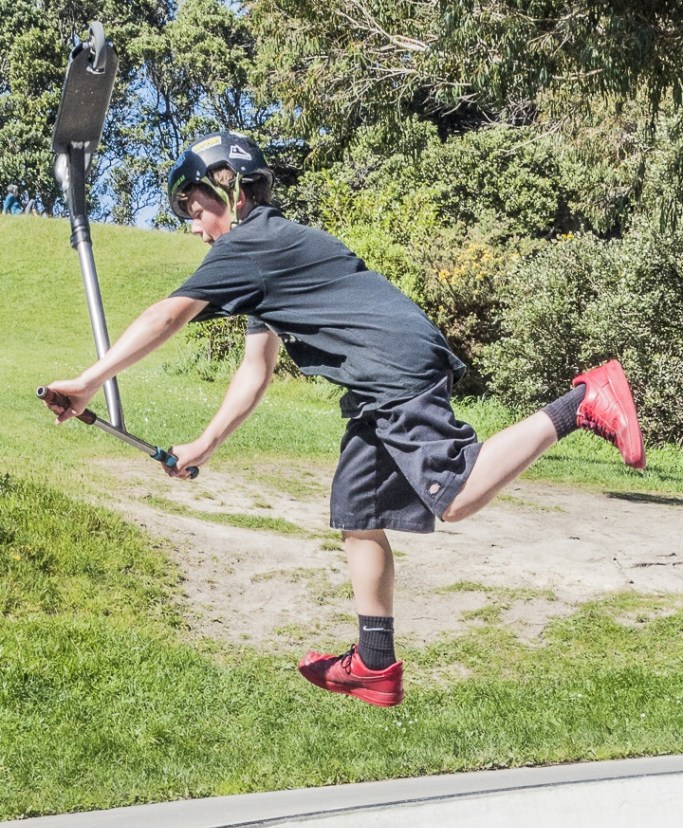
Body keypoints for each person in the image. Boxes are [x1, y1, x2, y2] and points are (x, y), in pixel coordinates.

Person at [43, 131, 646, 709]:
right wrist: (205, 442)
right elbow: (255, 370)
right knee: (358, 510)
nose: (194, 226)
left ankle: (581, 402)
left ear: (231, 192)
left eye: (196, 209)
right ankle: (375, 664)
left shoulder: (251, 244)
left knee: (456, 495)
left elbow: (167, 317)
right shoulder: (268, 259)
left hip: (391, 368)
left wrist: (87, 381)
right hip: (375, 380)